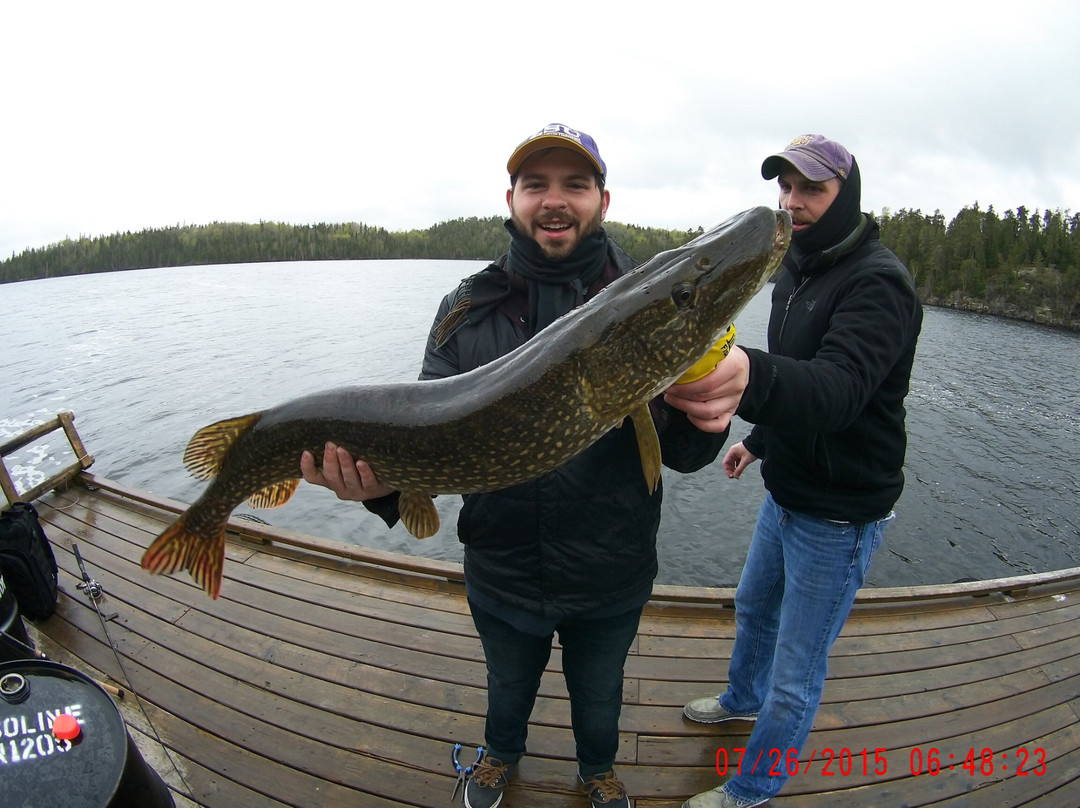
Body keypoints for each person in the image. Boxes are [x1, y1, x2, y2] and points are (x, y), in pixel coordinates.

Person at [300, 123, 745, 808]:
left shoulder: (648, 299)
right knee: (507, 688)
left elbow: (683, 455)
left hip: (610, 568)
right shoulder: (464, 309)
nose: (554, 200)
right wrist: (379, 489)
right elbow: (423, 432)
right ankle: (499, 758)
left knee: (600, 694)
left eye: (575, 184)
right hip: (503, 568)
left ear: (602, 200)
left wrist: (707, 406)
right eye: (536, 184)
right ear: (511, 199)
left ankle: (598, 770)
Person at [680, 135, 924, 808]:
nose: (793, 202)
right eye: (785, 188)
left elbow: (839, 390)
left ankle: (753, 788)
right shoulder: (796, 270)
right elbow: (800, 376)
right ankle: (741, 699)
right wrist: (759, 441)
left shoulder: (879, 283)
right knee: (754, 607)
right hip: (787, 489)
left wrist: (748, 377)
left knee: (797, 671)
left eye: (811, 189)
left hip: (841, 513)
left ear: (847, 194)